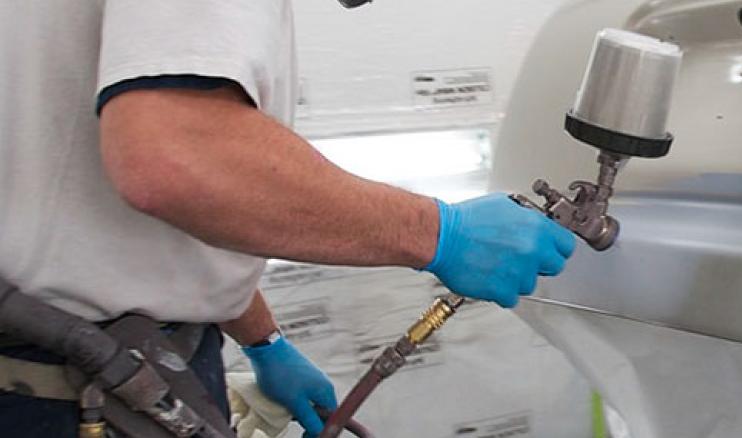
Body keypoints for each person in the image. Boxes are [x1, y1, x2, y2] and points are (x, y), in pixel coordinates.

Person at [0, 2, 576, 437]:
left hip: (81, 355)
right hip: (62, 387)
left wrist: (263, 340)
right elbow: (175, 156)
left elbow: (84, 193)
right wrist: (439, 234)